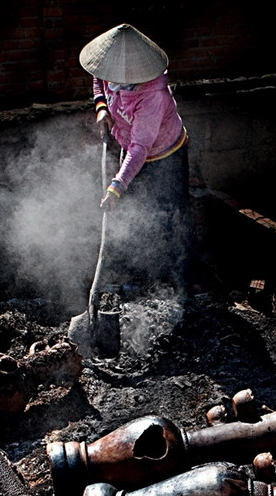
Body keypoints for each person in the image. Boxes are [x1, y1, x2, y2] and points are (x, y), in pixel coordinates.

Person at [79, 23, 195, 293]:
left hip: (165, 156)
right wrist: (101, 107)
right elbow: (98, 77)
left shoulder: (153, 96)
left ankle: (179, 283)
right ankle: (138, 276)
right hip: (130, 146)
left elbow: (140, 148)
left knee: (169, 217)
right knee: (135, 215)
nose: (111, 78)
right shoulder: (112, 72)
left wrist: (116, 186)